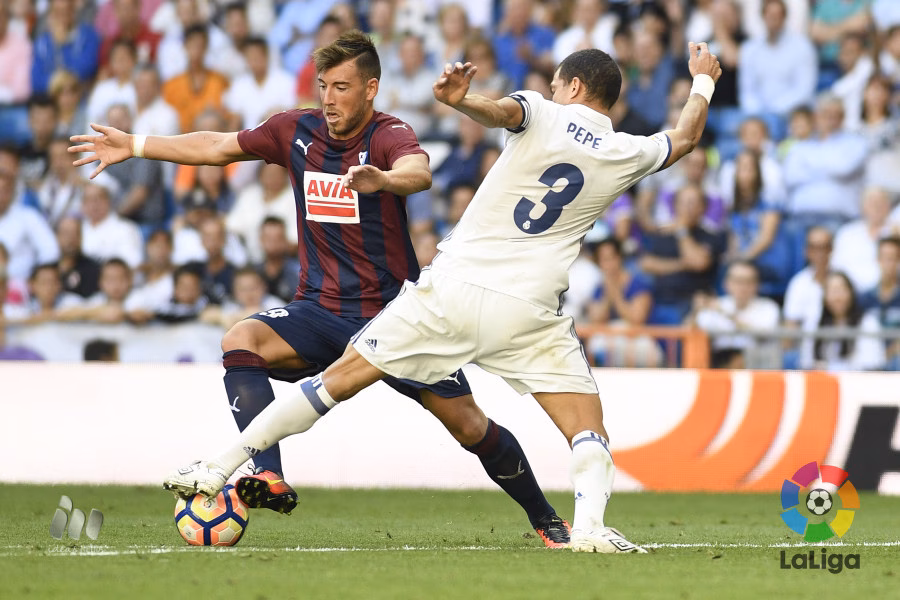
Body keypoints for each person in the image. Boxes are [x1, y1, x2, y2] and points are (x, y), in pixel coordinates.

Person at [157, 42, 723, 553]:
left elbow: (505, 112)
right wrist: (701, 80)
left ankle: (219, 466)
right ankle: (590, 529)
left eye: (556, 84)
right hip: (528, 310)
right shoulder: (629, 150)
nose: (551, 90)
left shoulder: (543, 110)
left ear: (572, 87)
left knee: (335, 384)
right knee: (586, 427)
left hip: (450, 290)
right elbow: (688, 136)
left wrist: (462, 100)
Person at [70, 31, 572, 548]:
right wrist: (134, 145)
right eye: (323, 86)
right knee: (241, 340)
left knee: (470, 427)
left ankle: (547, 520)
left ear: (371, 88)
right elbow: (217, 147)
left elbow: (418, 172)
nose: (329, 98)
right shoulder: (295, 130)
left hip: (398, 319)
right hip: (319, 310)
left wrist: (384, 179)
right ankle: (266, 473)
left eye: (342, 87)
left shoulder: (388, 133)